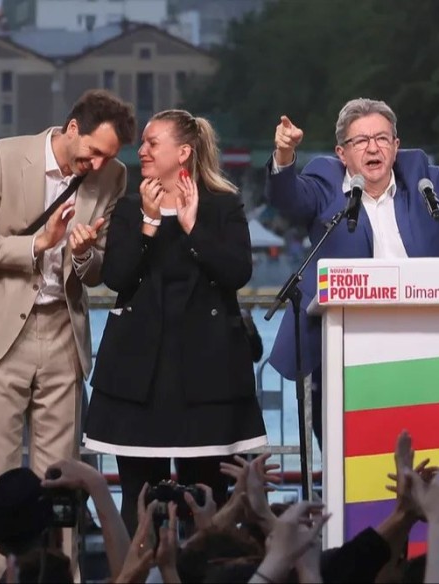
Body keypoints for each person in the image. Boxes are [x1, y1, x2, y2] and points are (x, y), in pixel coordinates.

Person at [266, 97, 439, 446]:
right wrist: (284, 155)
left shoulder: (421, 179)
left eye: (382, 138)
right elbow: (288, 197)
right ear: (342, 153)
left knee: (421, 454)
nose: (374, 148)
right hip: (341, 353)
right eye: (361, 141)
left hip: (423, 352)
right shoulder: (325, 183)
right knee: (352, 454)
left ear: (396, 145)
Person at [0, 89, 135, 581]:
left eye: (107, 157)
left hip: (64, 332)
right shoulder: (2, 156)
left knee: (62, 484)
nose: (97, 164)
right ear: (72, 128)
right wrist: (38, 245)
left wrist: (82, 255)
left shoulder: (113, 177)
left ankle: (59, 577)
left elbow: (96, 271)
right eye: (94, 152)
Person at [83, 109, 267, 533]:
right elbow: (117, 278)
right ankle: (135, 566)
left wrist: (192, 227)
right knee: (138, 503)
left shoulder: (223, 204)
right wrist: (149, 224)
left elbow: (237, 272)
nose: (142, 151)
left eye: (152, 143)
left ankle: (203, 565)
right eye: (143, 143)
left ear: (183, 152)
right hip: (138, 380)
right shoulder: (129, 209)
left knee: (207, 500)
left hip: (208, 380)